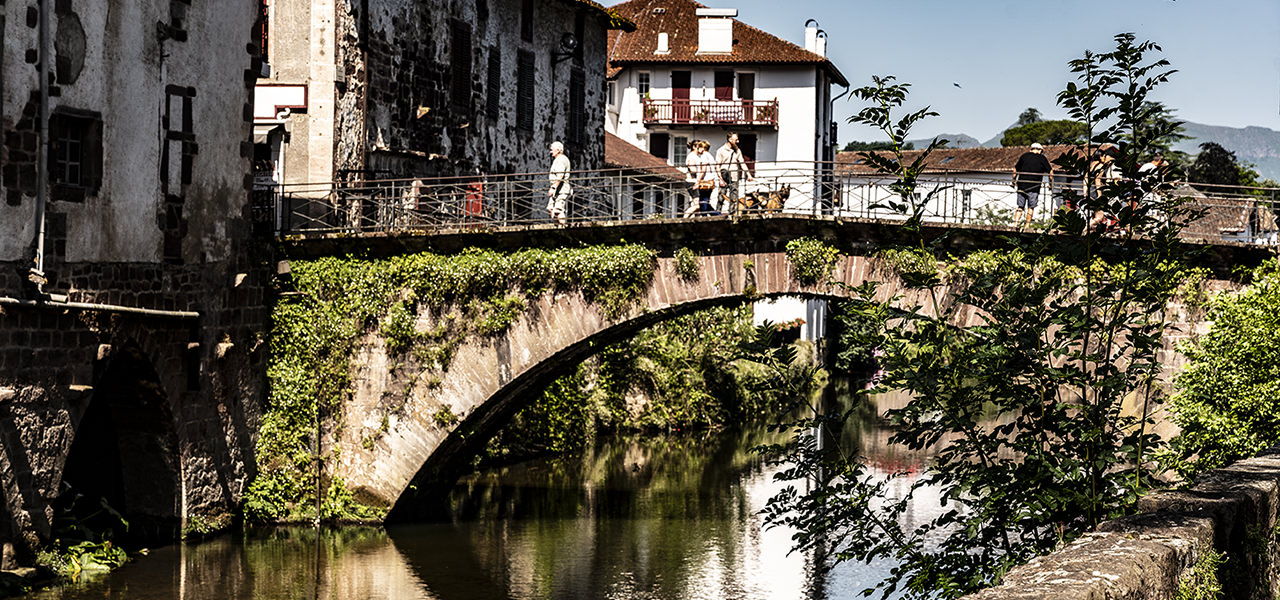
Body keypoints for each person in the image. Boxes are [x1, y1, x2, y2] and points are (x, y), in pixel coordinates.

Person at [1012, 143, 1052, 228]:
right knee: (1031, 207)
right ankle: (1027, 225)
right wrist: (1050, 183)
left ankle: (1015, 223)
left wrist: (1013, 181)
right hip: (1034, 187)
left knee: (1020, 207)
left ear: (1031, 149)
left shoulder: (1024, 156)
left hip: (1022, 185)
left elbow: (1015, 169)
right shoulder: (1042, 158)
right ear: (1040, 150)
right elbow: (1050, 172)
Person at [715, 132, 753, 214]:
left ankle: (732, 213)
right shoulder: (721, 150)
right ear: (730, 139)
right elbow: (717, 165)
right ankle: (717, 213)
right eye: (736, 140)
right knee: (721, 196)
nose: (738, 141)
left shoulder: (737, 150)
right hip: (724, 176)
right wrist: (720, 179)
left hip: (734, 176)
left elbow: (742, 163)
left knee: (734, 197)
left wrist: (748, 174)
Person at [1087, 143, 1121, 230]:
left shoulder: (1113, 167)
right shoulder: (1107, 167)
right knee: (1108, 214)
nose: (1103, 159)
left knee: (1110, 214)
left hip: (1110, 193)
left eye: (1104, 156)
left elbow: (1117, 180)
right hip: (1108, 194)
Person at [690, 140, 720, 215]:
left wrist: (697, 182)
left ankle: (710, 216)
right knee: (705, 201)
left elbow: (703, 170)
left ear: (703, 148)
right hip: (710, 181)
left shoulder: (704, 156)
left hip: (705, 181)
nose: (698, 149)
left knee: (703, 201)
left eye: (699, 147)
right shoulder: (710, 156)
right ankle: (715, 215)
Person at [547, 141, 571, 224]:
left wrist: (553, 187)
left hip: (561, 189)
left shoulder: (561, 159)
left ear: (558, 150)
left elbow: (560, 175)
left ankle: (562, 228)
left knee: (558, 210)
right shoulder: (558, 159)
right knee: (551, 208)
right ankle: (557, 227)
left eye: (552, 150)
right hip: (557, 190)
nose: (550, 152)